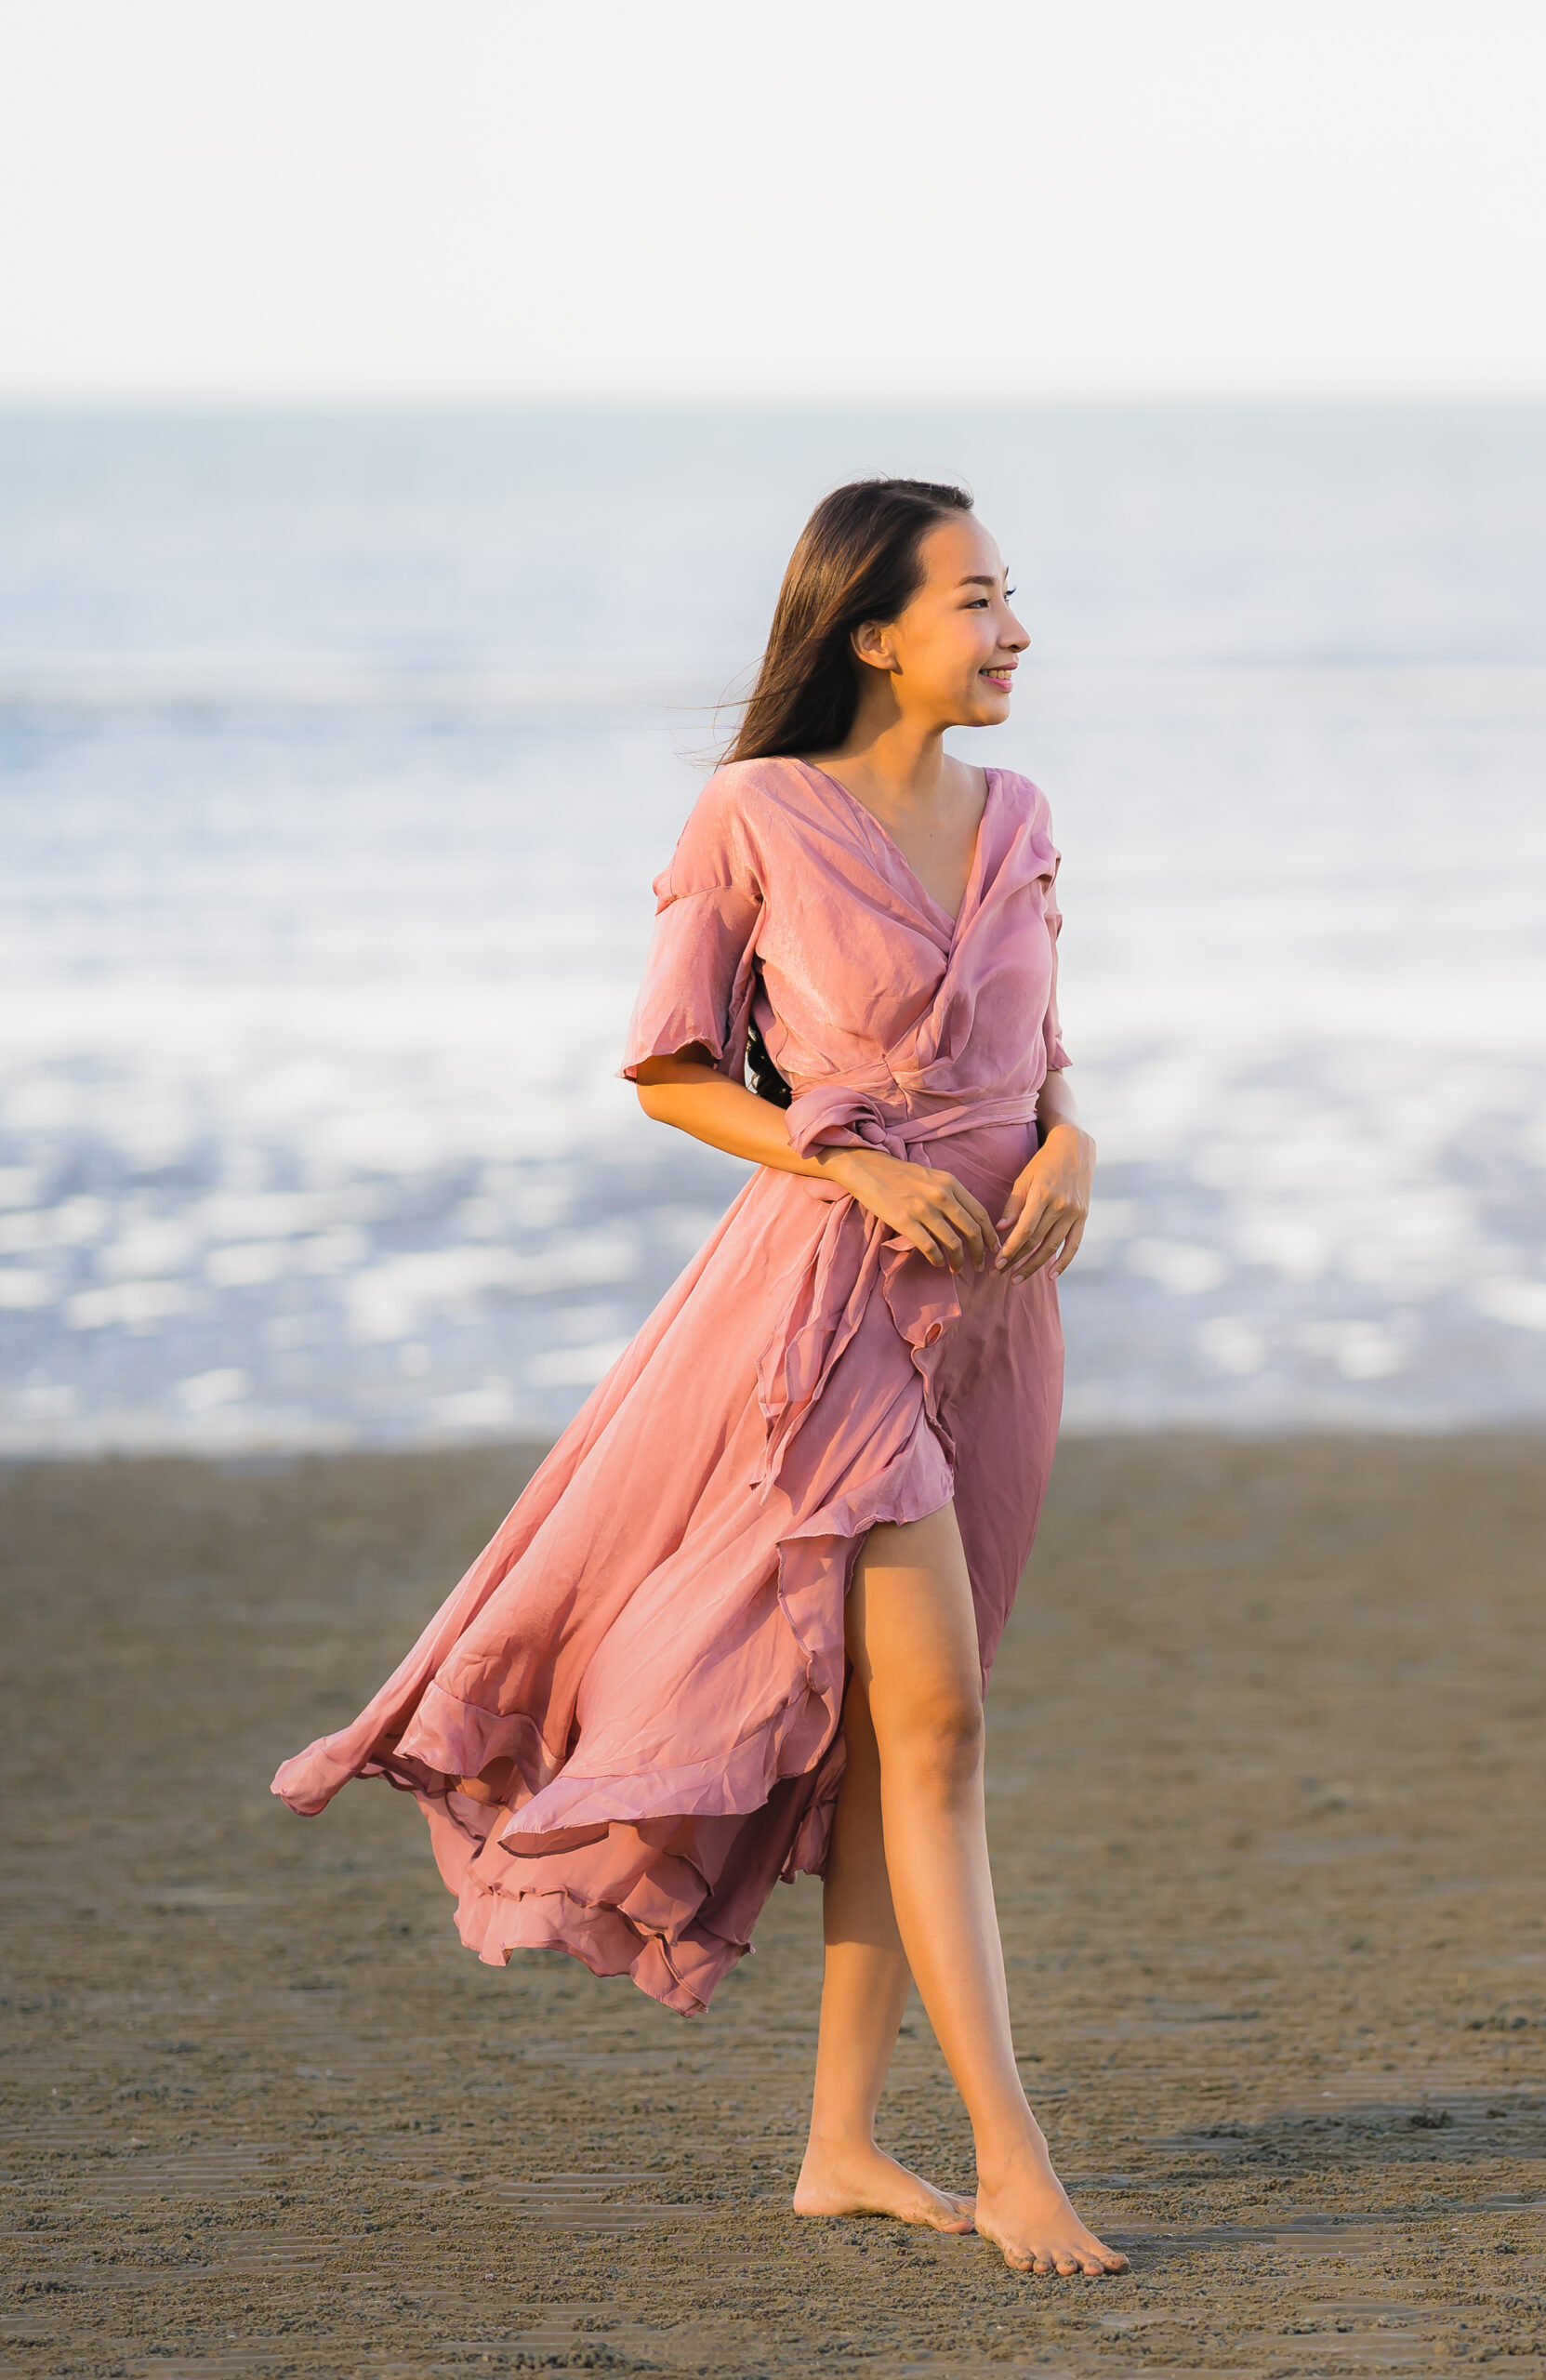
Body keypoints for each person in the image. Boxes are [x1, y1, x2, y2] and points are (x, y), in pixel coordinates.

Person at [271, 479, 1125, 2276]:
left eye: (1011, 594)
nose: (1017, 629)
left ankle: (837, 2147)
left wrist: (1071, 1152)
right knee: (947, 1725)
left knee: (911, 1739)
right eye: (980, 600)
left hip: (999, 1322)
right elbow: (668, 1069)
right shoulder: (752, 813)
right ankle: (1017, 2162)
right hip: (823, 1315)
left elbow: (1042, 1062)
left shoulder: (1025, 812)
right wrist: (844, 1160)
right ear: (872, 630)